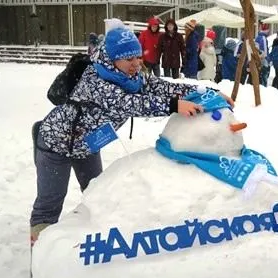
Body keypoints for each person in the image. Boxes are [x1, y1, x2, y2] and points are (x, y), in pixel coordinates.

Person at [30, 24, 234, 244]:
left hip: (87, 145)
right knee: (49, 205)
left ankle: (86, 248)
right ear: (112, 59)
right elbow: (131, 103)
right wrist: (175, 105)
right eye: (129, 59)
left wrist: (207, 92)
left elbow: (162, 87)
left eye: (138, 57)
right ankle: (41, 263)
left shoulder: (131, 77)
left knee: (97, 193)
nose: (136, 64)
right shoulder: (95, 81)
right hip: (56, 143)